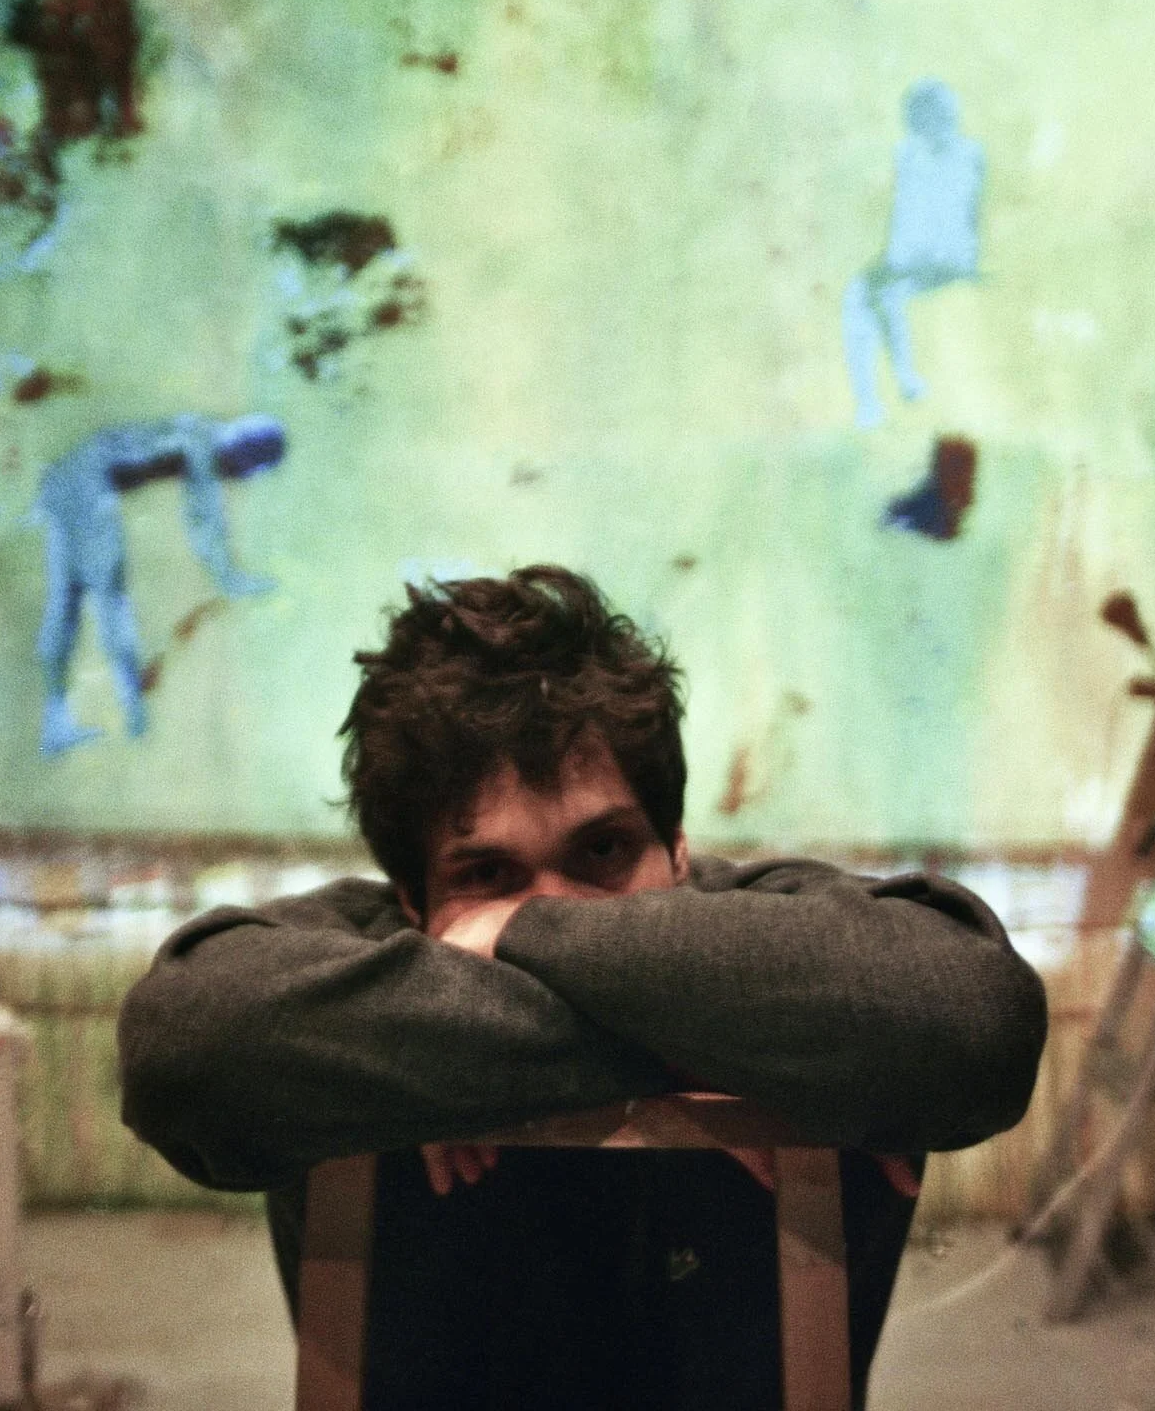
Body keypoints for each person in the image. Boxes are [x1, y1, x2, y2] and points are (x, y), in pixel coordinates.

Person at [119, 565, 1046, 1410]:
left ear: (679, 853)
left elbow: (975, 1024)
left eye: (602, 851)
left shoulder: (774, 927)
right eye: (489, 875)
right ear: (410, 905)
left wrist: (498, 960)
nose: (559, 912)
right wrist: (693, 1037)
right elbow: (186, 1053)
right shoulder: (347, 955)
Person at [33, 411, 285, 753]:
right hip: (89, 484)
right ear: (243, 452)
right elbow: (204, 518)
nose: (234, 478)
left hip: (65, 478)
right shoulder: (203, 442)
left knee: (66, 602)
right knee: (107, 594)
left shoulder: (197, 432)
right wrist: (230, 579)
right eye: (243, 469)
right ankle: (132, 712)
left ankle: (57, 722)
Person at [841, 78, 986, 428]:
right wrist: (897, 260)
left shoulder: (965, 156)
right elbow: (905, 217)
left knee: (876, 297)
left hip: (944, 259)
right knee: (862, 297)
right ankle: (891, 391)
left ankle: (882, 397)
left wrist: (913, 262)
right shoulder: (910, 153)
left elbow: (955, 222)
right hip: (912, 259)